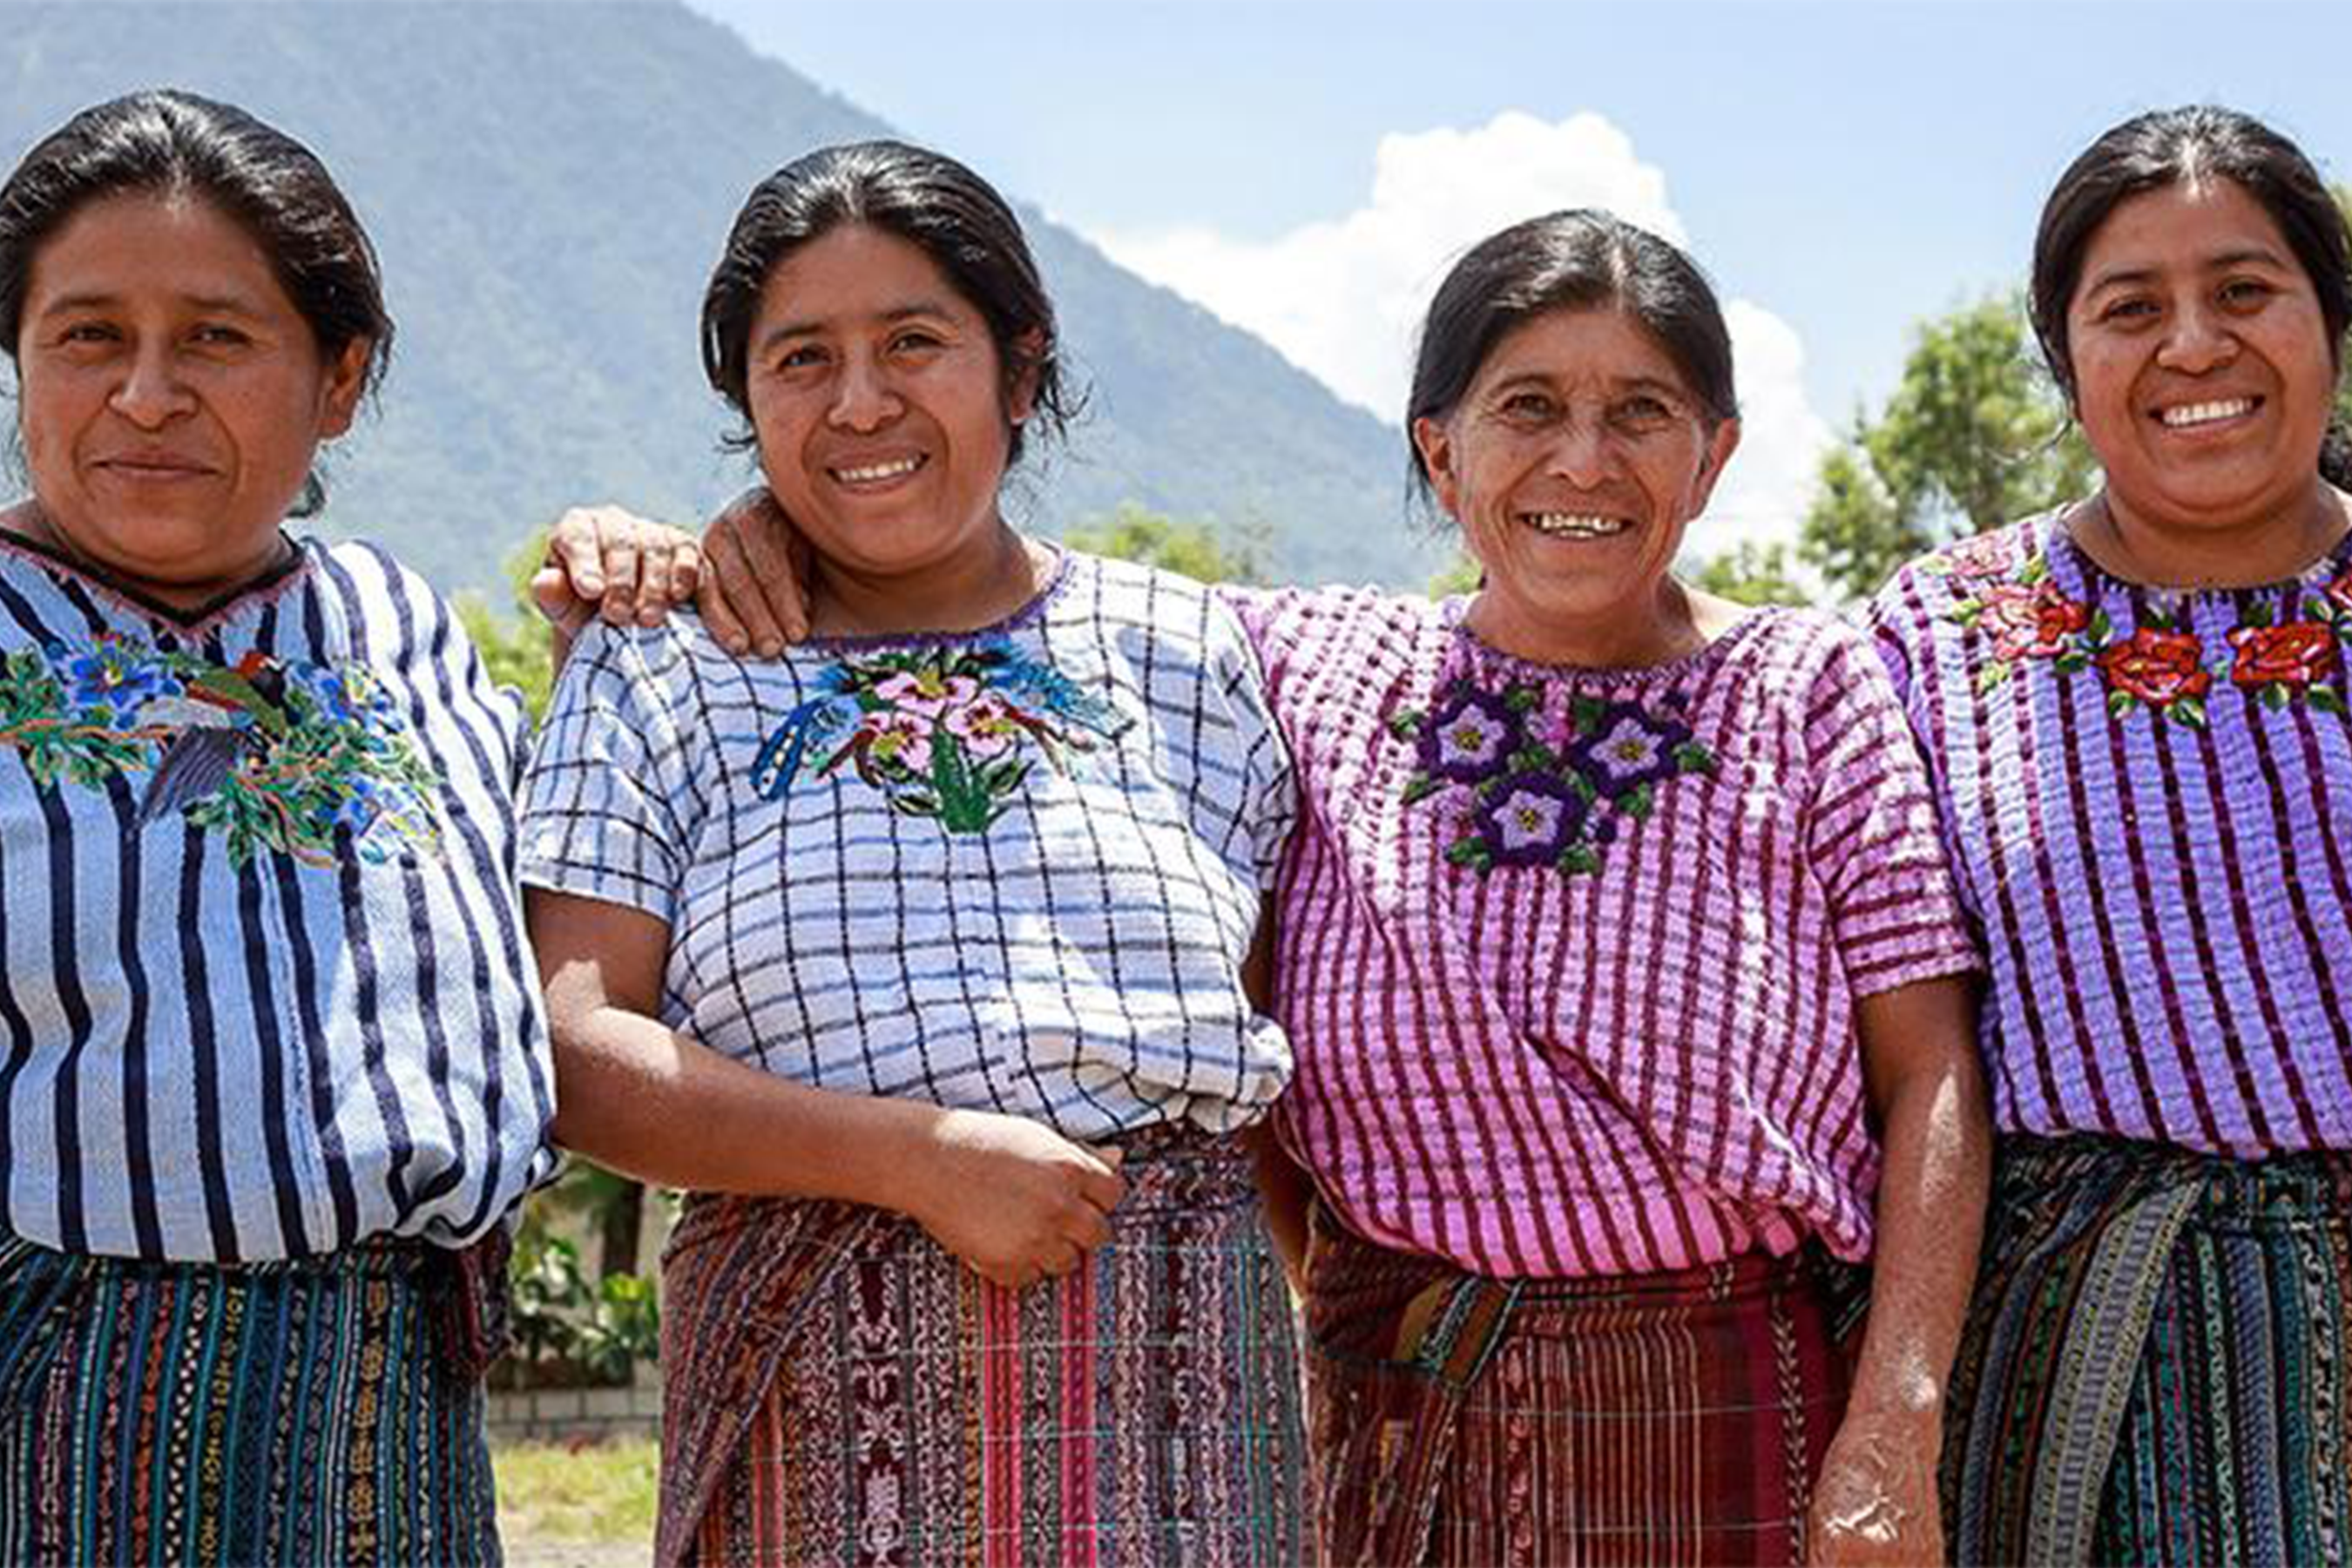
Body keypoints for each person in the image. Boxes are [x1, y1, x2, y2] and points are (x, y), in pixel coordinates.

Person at [688, 206, 1992, 1566]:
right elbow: (986, 583)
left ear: (1714, 455)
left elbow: (1931, 1073)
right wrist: (750, 531)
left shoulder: (1810, 691)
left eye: (1643, 412)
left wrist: (1895, 1422)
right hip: (1391, 1400)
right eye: (1527, 408)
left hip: (1728, 1395)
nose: (1583, 461)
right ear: (1441, 451)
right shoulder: (1303, 671)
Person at [517, 139, 1308, 1567]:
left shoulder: (1187, 652)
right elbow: (574, 1049)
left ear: (1020, 366)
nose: (860, 401)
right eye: (800, 359)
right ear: (747, 405)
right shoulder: (662, 668)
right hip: (817, 1398)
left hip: (1187, 1400)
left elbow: (1272, 1029)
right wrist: (922, 1160)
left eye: (914, 343)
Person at [0, 90, 699, 1565]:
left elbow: (542, 910)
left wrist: (631, 619)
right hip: (61, 1386)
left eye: (215, 337)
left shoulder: (396, 622)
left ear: (340, 378)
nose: (143, 393)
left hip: (405, 1389)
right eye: (86, 335)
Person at [1869, 105, 2352, 1566]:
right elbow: (1906, 1049)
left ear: (2331, 320)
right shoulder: (1940, 633)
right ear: (2065, 360)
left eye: (2246, 290)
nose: (2193, 346)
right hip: (2072, 1355)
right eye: (2130, 309)